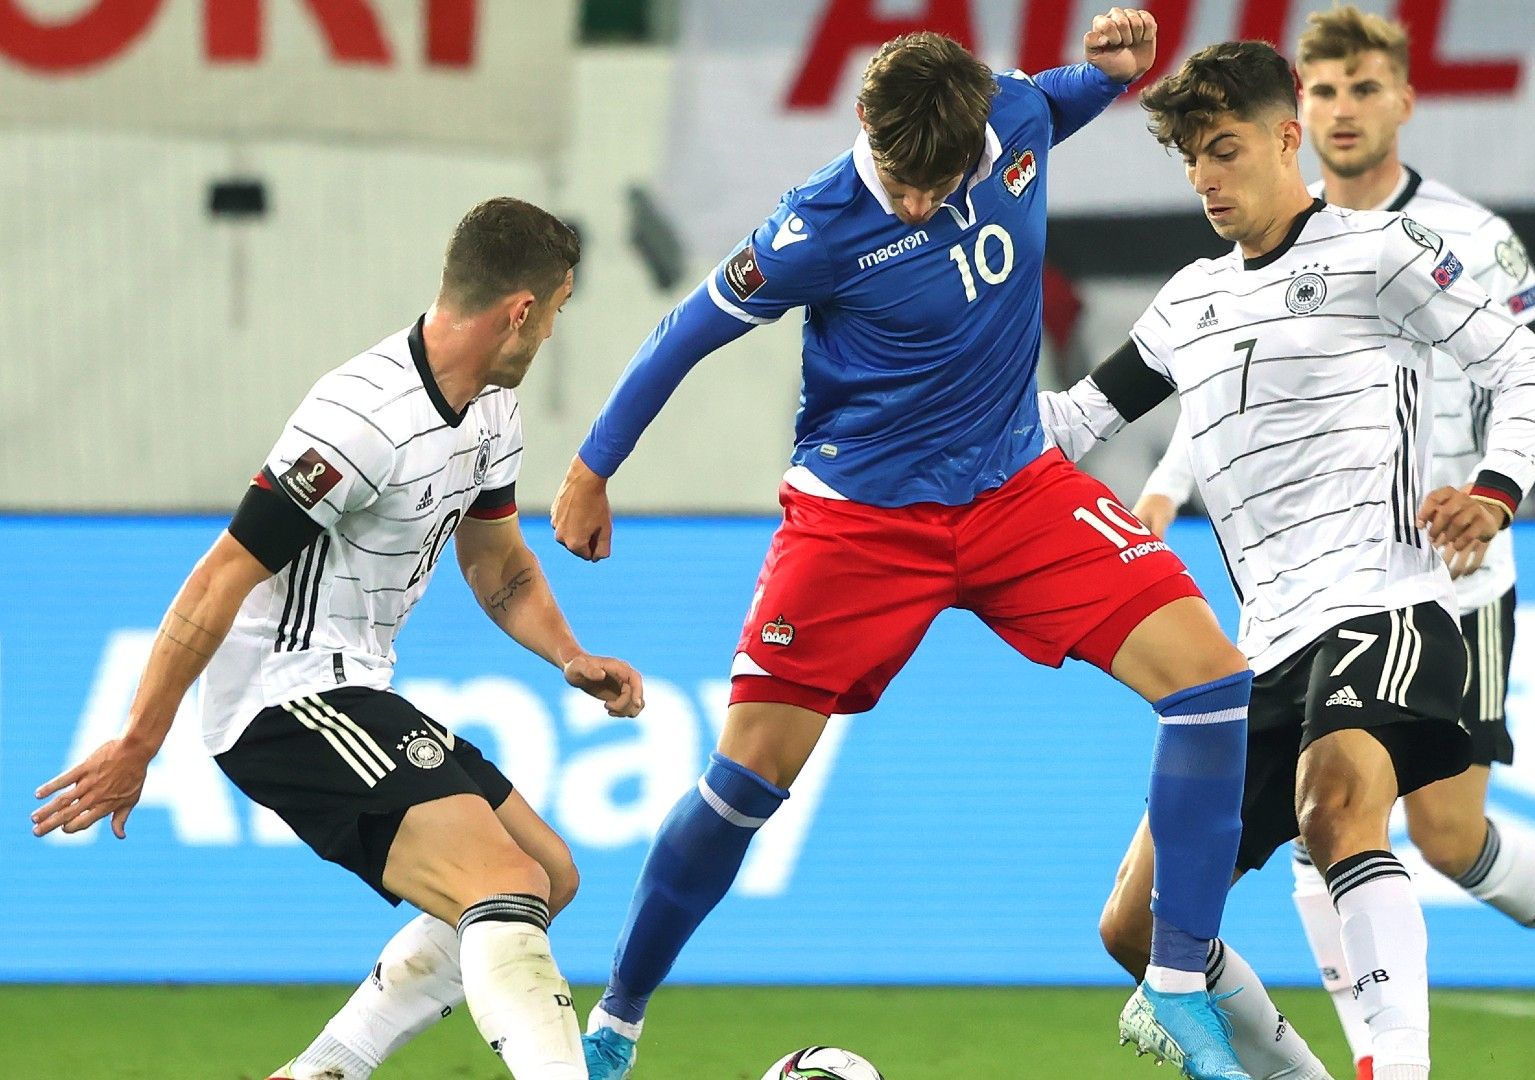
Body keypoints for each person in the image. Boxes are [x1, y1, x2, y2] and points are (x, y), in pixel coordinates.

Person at [550, 12, 1255, 1080]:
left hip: (1017, 491)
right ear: (863, 127)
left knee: (1212, 684)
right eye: (901, 180)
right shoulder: (813, 227)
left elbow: (1070, 92)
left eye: (939, 181)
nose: (920, 201)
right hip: (861, 524)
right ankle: (616, 1022)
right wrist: (593, 466)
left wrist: (1111, 70)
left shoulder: (1012, 116)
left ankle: (1174, 985)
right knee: (744, 785)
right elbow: (684, 331)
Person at [1037, 39, 1535, 1080]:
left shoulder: (1381, 255)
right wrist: (940, 380)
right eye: (1191, 157)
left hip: (1388, 602)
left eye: (1224, 150)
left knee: (1336, 808)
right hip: (1262, 645)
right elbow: (1069, 425)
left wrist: (1495, 489)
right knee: (1137, 927)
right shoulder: (1187, 302)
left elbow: (1530, 375)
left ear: (1287, 139)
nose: (1205, 180)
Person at [31, 197, 645, 1080]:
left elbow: (498, 564)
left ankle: (320, 1072)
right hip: (281, 695)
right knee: (503, 888)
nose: (552, 332)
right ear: (520, 310)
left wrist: (569, 655)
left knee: (548, 875)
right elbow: (219, 577)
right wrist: (140, 739)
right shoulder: (362, 415)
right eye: (556, 311)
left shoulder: (492, 414)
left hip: (354, 686)